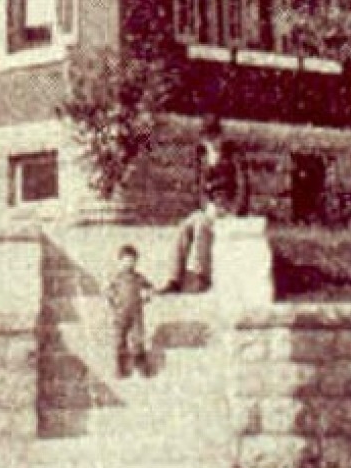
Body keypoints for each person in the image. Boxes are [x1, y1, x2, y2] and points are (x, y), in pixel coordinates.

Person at [165, 121, 247, 293]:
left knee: (202, 226)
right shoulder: (202, 155)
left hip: (227, 207)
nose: (211, 143)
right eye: (207, 139)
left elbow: (243, 185)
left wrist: (234, 210)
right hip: (209, 208)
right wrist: (206, 206)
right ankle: (174, 279)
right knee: (184, 227)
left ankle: (202, 277)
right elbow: (200, 187)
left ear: (221, 136)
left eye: (214, 138)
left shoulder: (234, 154)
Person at [105, 244, 154, 378]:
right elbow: (108, 292)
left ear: (136, 262)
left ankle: (141, 365)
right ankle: (120, 367)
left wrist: (148, 295)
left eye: (132, 260)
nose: (129, 264)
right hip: (120, 314)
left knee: (137, 338)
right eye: (126, 260)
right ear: (120, 261)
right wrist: (113, 303)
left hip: (136, 314)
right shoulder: (116, 278)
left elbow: (150, 287)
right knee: (119, 340)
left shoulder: (139, 277)